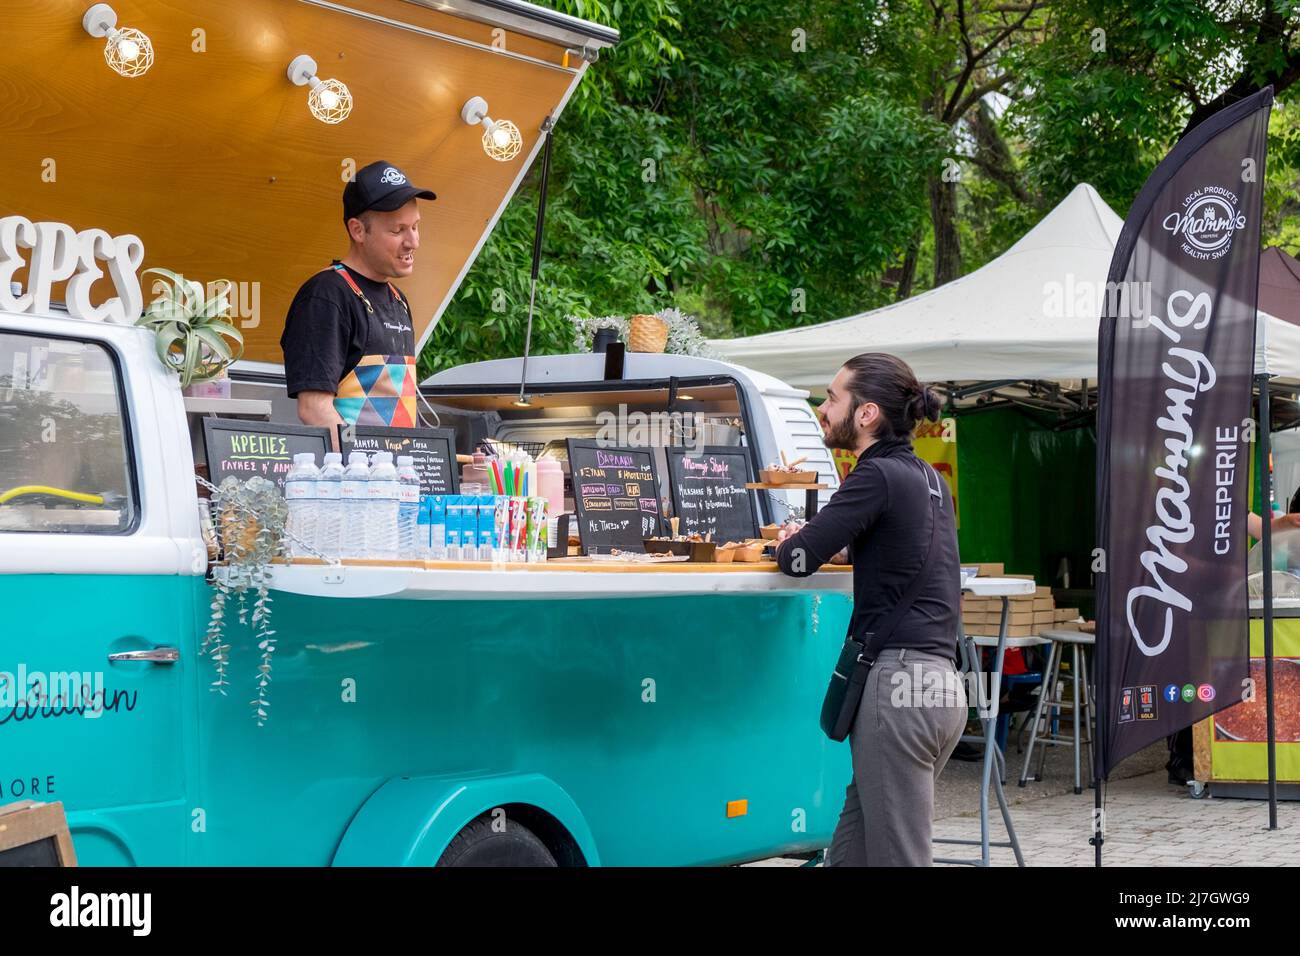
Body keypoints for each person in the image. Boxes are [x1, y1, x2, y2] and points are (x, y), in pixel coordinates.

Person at [774, 352, 965, 866]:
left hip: (900, 690)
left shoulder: (874, 474)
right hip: (941, 688)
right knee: (853, 851)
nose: (822, 407)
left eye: (833, 397)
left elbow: (796, 559)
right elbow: (896, 550)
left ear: (866, 413)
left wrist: (786, 540)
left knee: (900, 858)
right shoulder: (930, 481)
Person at [280, 160, 436, 438]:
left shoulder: (398, 299)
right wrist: (367, 466)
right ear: (358, 230)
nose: (413, 242)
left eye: (416, 226)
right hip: (357, 479)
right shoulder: (326, 295)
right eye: (398, 230)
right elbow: (314, 409)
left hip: (400, 475)